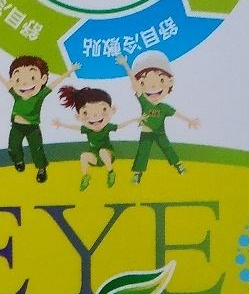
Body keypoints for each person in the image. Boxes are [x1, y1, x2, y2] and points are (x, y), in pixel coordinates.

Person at [0, 54, 77, 182]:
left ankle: (41, 169)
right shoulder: (16, 94)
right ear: (12, 81)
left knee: (36, 149)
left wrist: (69, 71)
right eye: (18, 79)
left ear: (43, 79)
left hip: (32, 128)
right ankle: (19, 161)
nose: (25, 83)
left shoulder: (39, 95)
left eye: (32, 78)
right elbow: (3, 81)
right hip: (16, 127)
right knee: (13, 147)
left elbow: (54, 83)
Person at [116, 50, 200, 181]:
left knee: (167, 148)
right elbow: (134, 81)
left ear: (170, 82)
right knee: (142, 152)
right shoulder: (144, 102)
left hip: (160, 132)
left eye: (161, 80)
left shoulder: (164, 107)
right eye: (143, 83)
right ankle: (138, 174)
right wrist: (125, 65)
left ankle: (179, 166)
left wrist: (190, 120)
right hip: (146, 132)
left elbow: (176, 114)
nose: (153, 86)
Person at [52, 85, 138, 190]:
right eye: (86, 113)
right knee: (84, 156)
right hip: (95, 157)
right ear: (78, 117)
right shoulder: (88, 129)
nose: (95, 116)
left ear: (112, 110)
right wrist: (61, 124)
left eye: (103, 109)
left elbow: (120, 126)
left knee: (103, 151)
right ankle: (85, 176)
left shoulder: (107, 127)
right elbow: (75, 127)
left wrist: (134, 120)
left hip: (108, 154)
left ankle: (111, 172)